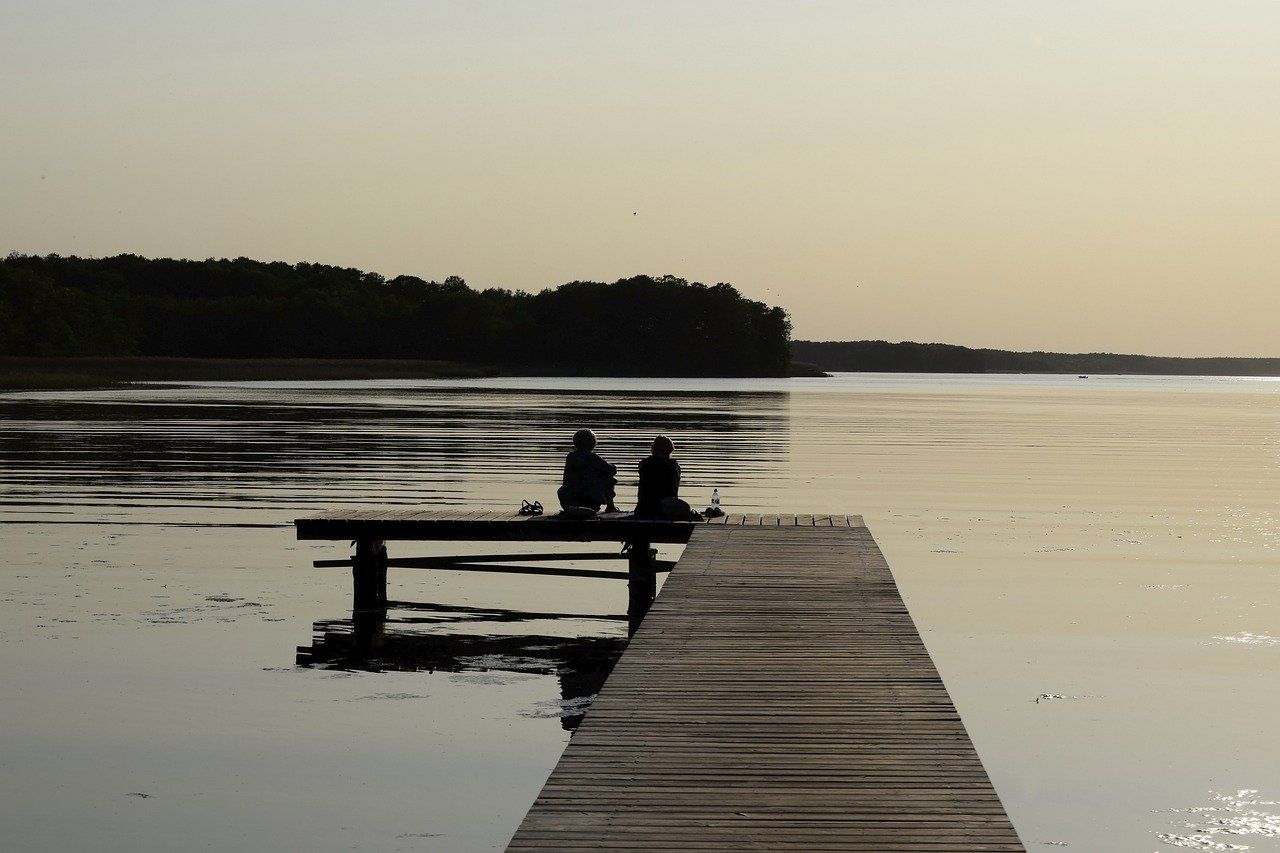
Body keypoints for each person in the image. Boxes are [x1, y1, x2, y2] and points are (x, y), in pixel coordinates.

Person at [557, 428, 619, 513]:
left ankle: (574, 508)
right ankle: (610, 507)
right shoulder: (593, 458)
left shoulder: (570, 458)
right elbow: (612, 470)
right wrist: (611, 466)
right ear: (593, 444)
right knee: (607, 475)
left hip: (568, 502)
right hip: (590, 502)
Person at [635, 435, 682, 519]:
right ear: (670, 450)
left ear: (653, 449)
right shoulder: (674, 466)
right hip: (667, 509)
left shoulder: (644, 464)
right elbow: (674, 489)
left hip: (644, 509)